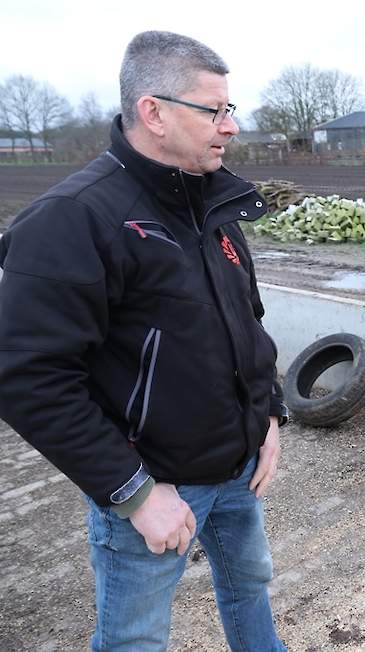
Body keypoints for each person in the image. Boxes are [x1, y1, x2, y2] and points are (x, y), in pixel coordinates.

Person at [0, 31, 288, 651]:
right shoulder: (74, 219)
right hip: (155, 488)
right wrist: (133, 492)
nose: (230, 126)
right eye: (214, 110)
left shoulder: (212, 205)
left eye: (228, 109)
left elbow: (248, 321)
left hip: (237, 469)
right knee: (135, 637)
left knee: (249, 585)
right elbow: (27, 376)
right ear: (153, 112)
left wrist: (268, 413)